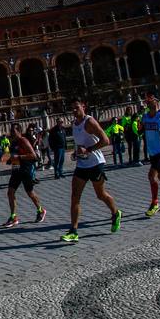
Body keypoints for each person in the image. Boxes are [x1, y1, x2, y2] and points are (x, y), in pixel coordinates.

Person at [61, 99, 121, 243]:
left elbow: (106, 140)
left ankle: (116, 213)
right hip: (82, 165)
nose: (74, 111)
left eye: (77, 108)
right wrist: (76, 154)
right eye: (72, 109)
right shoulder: (74, 125)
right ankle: (73, 231)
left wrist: (88, 150)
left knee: (100, 194)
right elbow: (80, 145)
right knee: (75, 196)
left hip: (96, 164)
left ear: (83, 107)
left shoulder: (90, 122)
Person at [1, 123, 45, 228]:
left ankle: (41, 210)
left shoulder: (23, 141)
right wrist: (10, 159)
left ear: (19, 132)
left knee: (30, 192)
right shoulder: (13, 142)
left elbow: (33, 155)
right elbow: (12, 155)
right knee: (10, 192)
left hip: (25, 169)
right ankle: (13, 217)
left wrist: (19, 157)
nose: (11, 133)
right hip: (16, 170)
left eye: (13, 131)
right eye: (11, 131)